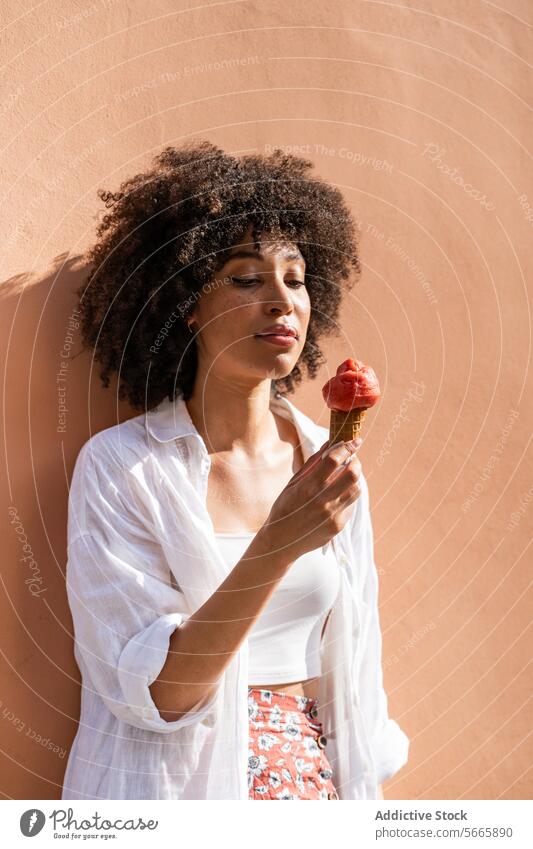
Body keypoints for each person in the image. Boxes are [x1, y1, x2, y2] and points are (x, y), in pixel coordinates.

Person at [62, 140, 409, 800]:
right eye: (247, 278)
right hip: (174, 795)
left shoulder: (325, 458)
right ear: (188, 302)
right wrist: (277, 543)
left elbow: (358, 664)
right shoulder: (122, 468)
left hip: (311, 790)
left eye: (296, 279)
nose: (281, 300)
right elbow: (157, 693)